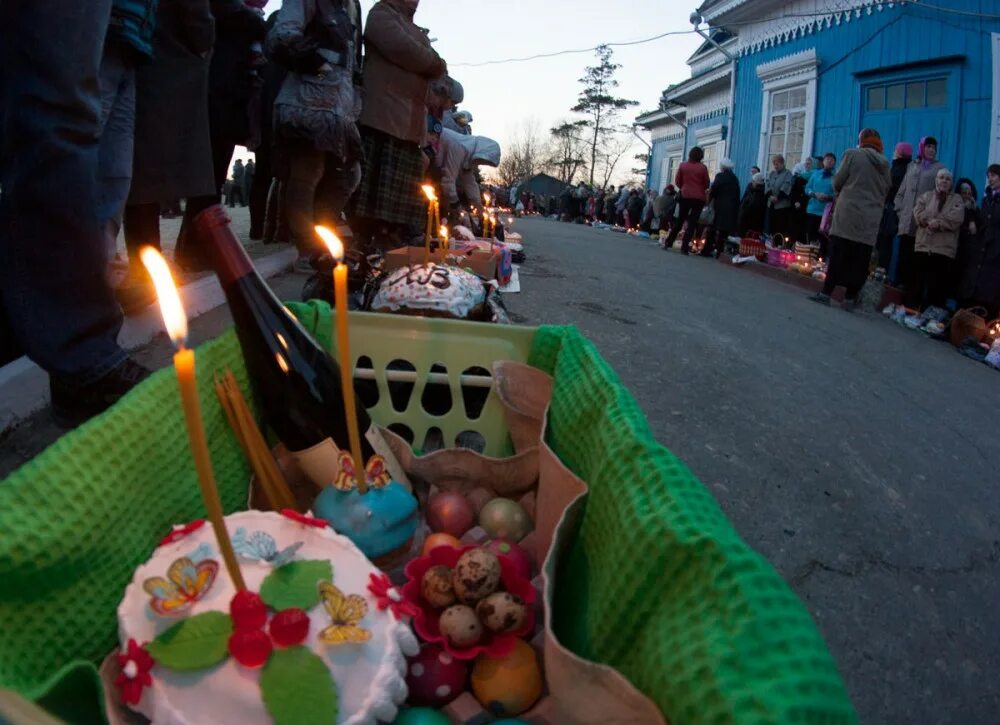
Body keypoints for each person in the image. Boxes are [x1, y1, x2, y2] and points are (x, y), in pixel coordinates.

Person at [1, 0, 151, 426]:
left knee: (84, 138)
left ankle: (75, 344)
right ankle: (81, 354)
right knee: (58, 112)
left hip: (131, 30)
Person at [267, 0, 364, 270]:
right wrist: (317, 64)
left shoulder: (352, 6)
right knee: (307, 172)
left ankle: (323, 239)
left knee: (346, 176)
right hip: (307, 99)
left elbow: (352, 54)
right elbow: (284, 34)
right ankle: (307, 248)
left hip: (340, 105)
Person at [123, 0, 216, 275]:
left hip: (133, 53)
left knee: (138, 172)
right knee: (179, 172)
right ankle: (178, 258)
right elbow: (199, 21)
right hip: (170, 66)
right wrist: (205, 41)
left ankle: (144, 265)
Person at [179, 0, 267, 269]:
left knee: (215, 172)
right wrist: (255, 22)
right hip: (215, 86)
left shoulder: (250, 17)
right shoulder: (241, 16)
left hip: (232, 91)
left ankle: (196, 245)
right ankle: (193, 248)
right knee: (208, 171)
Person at [351, 0, 447, 247]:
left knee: (401, 201)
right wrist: (432, 63)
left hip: (409, 125)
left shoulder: (413, 27)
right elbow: (407, 50)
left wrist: (431, 61)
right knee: (373, 196)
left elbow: (431, 60)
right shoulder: (382, 13)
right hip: (384, 116)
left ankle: (391, 242)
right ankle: (363, 247)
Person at [810, 129, 891, 310]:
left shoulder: (852, 154)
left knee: (839, 253)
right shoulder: (885, 164)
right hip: (870, 218)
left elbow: (837, 181)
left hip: (848, 213)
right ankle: (849, 299)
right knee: (860, 258)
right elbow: (887, 189)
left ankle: (826, 293)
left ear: (861, 140)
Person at [905, 169, 964, 310]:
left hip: (943, 249)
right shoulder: (926, 196)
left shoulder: (957, 199)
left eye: (947, 179)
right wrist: (929, 219)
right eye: (941, 178)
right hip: (923, 245)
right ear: (936, 180)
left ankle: (930, 315)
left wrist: (937, 223)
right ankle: (911, 309)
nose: (944, 181)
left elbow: (955, 219)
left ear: (951, 183)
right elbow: (917, 213)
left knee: (937, 286)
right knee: (917, 281)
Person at [894, 136, 944, 289]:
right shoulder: (912, 166)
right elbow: (902, 190)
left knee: (916, 260)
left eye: (934, 148)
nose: (931, 150)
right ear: (922, 147)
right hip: (905, 219)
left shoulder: (939, 169)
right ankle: (897, 290)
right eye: (928, 146)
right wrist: (899, 209)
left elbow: (941, 196)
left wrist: (929, 216)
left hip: (922, 222)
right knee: (903, 256)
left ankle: (910, 296)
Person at [958, 165, 1000, 317]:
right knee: (975, 283)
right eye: (989, 175)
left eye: (994, 175)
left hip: (996, 249)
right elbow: (983, 221)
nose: (991, 179)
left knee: (991, 286)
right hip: (982, 247)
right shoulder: (986, 199)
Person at [437, 128, 501, 219]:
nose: (481, 162)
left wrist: (479, 207)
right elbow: (448, 181)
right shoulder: (460, 147)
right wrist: (457, 205)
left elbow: (469, 182)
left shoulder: (469, 153)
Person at [875, 142, 912, 274]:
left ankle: (880, 271)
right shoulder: (907, 168)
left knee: (884, 241)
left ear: (899, 153)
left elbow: (889, 189)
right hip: (893, 210)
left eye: (896, 151)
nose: (893, 153)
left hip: (890, 210)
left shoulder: (898, 169)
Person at [665, 146, 710, 254]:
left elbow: (678, 181)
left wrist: (684, 187)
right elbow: (706, 183)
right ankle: (684, 247)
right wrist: (700, 189)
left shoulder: (683, 165)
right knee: (692, 223)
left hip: (685, 196)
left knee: (680, 220)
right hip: (699, 198)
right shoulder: (703, 168)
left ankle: (669, 242)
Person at [705, 159, 740, 258]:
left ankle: (707, 249)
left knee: (713, 228)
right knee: (724, 231)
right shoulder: (734, 178)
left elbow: (714, 189)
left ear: (723, 167)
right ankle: (720, 252)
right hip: (732, 207)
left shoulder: (720, 176)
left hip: (720, 206)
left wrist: (709, 198)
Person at [804, 153, 836, 257]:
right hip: (812, 209)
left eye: (831, 160)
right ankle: (808, 259)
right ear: (823, 162)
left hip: (826, 213)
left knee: (823, 239)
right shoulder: (816, 174)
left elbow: (838, 194)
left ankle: (820, 261)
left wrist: (828, 197)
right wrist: (814, 194)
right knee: (811, 236)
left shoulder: (835, 177)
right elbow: (807, 189)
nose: (829, 162)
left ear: (834, 163)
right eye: (827, 159)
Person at [764, 155, 794, 237]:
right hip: (771, 204)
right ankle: (771, 242)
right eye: (774, 164)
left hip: (782, 206)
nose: (775, 166)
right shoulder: (772, 174)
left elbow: (786, 186)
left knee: (780, 228)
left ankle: (779, 244)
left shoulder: (788, 174)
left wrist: (778, 197)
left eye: (777, 164)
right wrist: (770, 196)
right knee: (770, 226)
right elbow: (767, 184)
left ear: (782, 163)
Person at [789, 157, 813, 242]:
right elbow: (793, 191)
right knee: (793, 228)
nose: (807, 165)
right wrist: (795, 201)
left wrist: (801, 203)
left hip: (806, 208)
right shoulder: (799, 176)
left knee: (803, 230)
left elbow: (810, 193)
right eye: (806, 163)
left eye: (809, 163)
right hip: (795, 207)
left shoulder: (813, 177)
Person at [738, 172, 767, 237]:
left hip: (750, 227)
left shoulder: (758, 194)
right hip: (748, 225)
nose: (752, 182)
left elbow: (751, 209)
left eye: (753, 181)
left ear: (757, 183)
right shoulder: (753, 191)